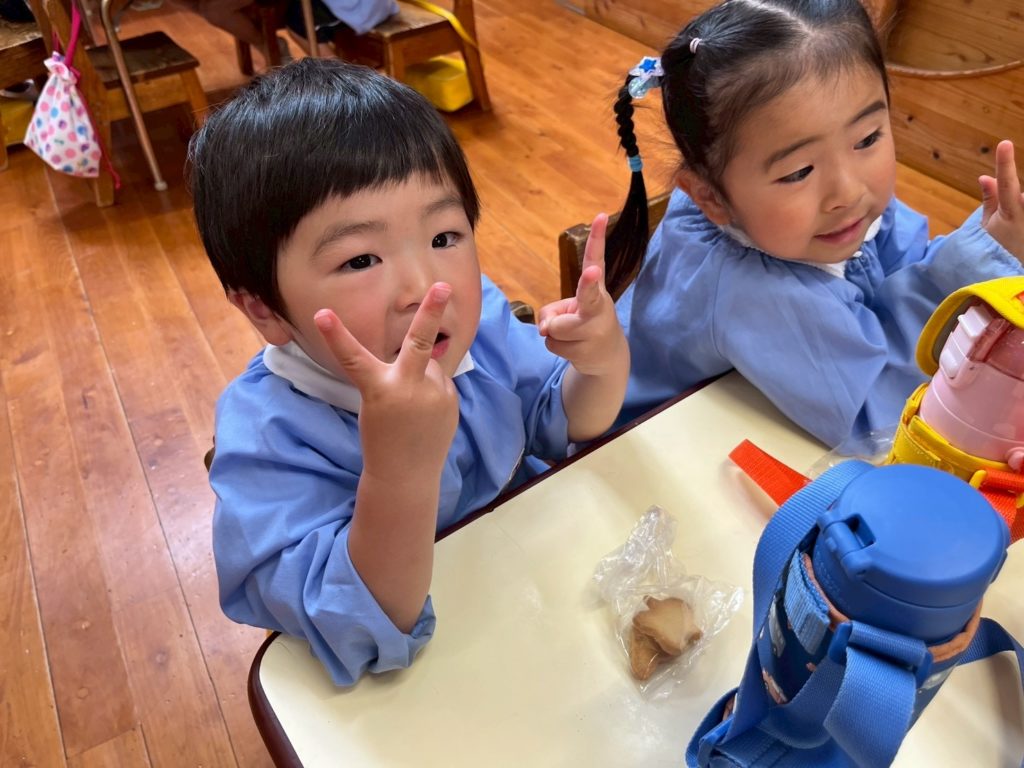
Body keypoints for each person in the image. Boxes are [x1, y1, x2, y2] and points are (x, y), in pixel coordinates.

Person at [189, 58, 629, 685]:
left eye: (444, 237)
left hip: (547, 606)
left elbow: (566, 421)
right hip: (424, 676)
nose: (425, 287)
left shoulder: (481, 323)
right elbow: (360, 624)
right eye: (360, 259)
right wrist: (400, 470)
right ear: (264, 308)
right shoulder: (269, 438)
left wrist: (601, 361)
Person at [606, 0, 1024, 451]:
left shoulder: (814, 214)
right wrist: (970, 267)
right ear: (710, 197)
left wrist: (985, 246)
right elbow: (875, 422)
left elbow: (902, 269)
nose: (847, 190)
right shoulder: (750, 290)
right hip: (645, 457)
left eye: (867, 138)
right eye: (798, 171)